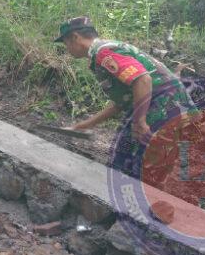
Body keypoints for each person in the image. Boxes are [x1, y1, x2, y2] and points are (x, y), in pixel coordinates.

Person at [55, 16, 195, 177]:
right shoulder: (105, 51)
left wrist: (140, 122)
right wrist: (85, 125)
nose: (67, 48)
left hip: (164, 107)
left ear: (75, 37)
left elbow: (143, 79)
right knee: (121, 157)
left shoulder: (104, 53)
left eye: (66, 43)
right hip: (158, 104)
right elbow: (121, 103)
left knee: (140, 167)